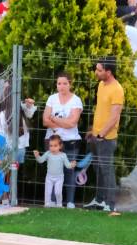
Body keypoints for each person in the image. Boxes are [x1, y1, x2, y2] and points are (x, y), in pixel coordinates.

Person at [86, 59, 125, 214]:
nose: (97, 72)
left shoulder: (117, 90)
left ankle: (110, 204)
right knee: (98, 170)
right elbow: (101, 110)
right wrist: (93, 130)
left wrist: (102, 134)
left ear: (108, 72)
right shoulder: (101, 85)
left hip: (106, 139)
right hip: (96, 136)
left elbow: (114, 116)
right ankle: (99, 199)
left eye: (100, 70)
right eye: (97, 69)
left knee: (107, 171)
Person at [43, 72, 84, 209]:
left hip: (71, 141)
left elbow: (73, 123)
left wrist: (54, 119)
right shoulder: (52, 99)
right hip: (53, 141)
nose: (61, 86)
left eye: (65, 83)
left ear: (70, 84)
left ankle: (70, 201)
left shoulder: (76, 100)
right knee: (53, 171)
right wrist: (62, 123)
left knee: (69, 170)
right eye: (59, 83)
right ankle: (53, 202)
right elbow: (45, 120)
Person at [34, 135, 78, 207]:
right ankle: (47, 204)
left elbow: (67, 165)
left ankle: (59, 204)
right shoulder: (48, 153)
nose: (53, 148)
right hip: (49, 177)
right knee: (48, 192)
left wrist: (72, 165)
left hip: (59, 177)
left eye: (55, 145)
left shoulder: (63, 155)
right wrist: (37, 156)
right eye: (51, 146)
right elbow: (41, 160)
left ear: (60, 146)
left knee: (58, 192)